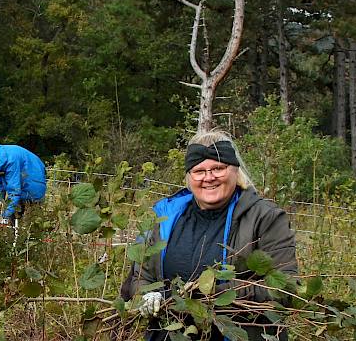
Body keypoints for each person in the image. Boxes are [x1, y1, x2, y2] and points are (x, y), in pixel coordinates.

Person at [121, 130, 297, 341]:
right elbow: (141, 277)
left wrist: (208, 294)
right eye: (199, 171)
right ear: (189, 176)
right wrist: (145, 296)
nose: (209, 177)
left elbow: (285, 287)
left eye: (218, 168)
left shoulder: (265, 218)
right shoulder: (166, 217)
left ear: (235, 171)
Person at [0, 142, 46, 222]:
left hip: (33, 181)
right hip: (22, 182)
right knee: (13, 217)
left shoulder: (11, 160)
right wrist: (0, 202)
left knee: (32, 219)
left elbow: (14, 191)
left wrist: (5, 216)